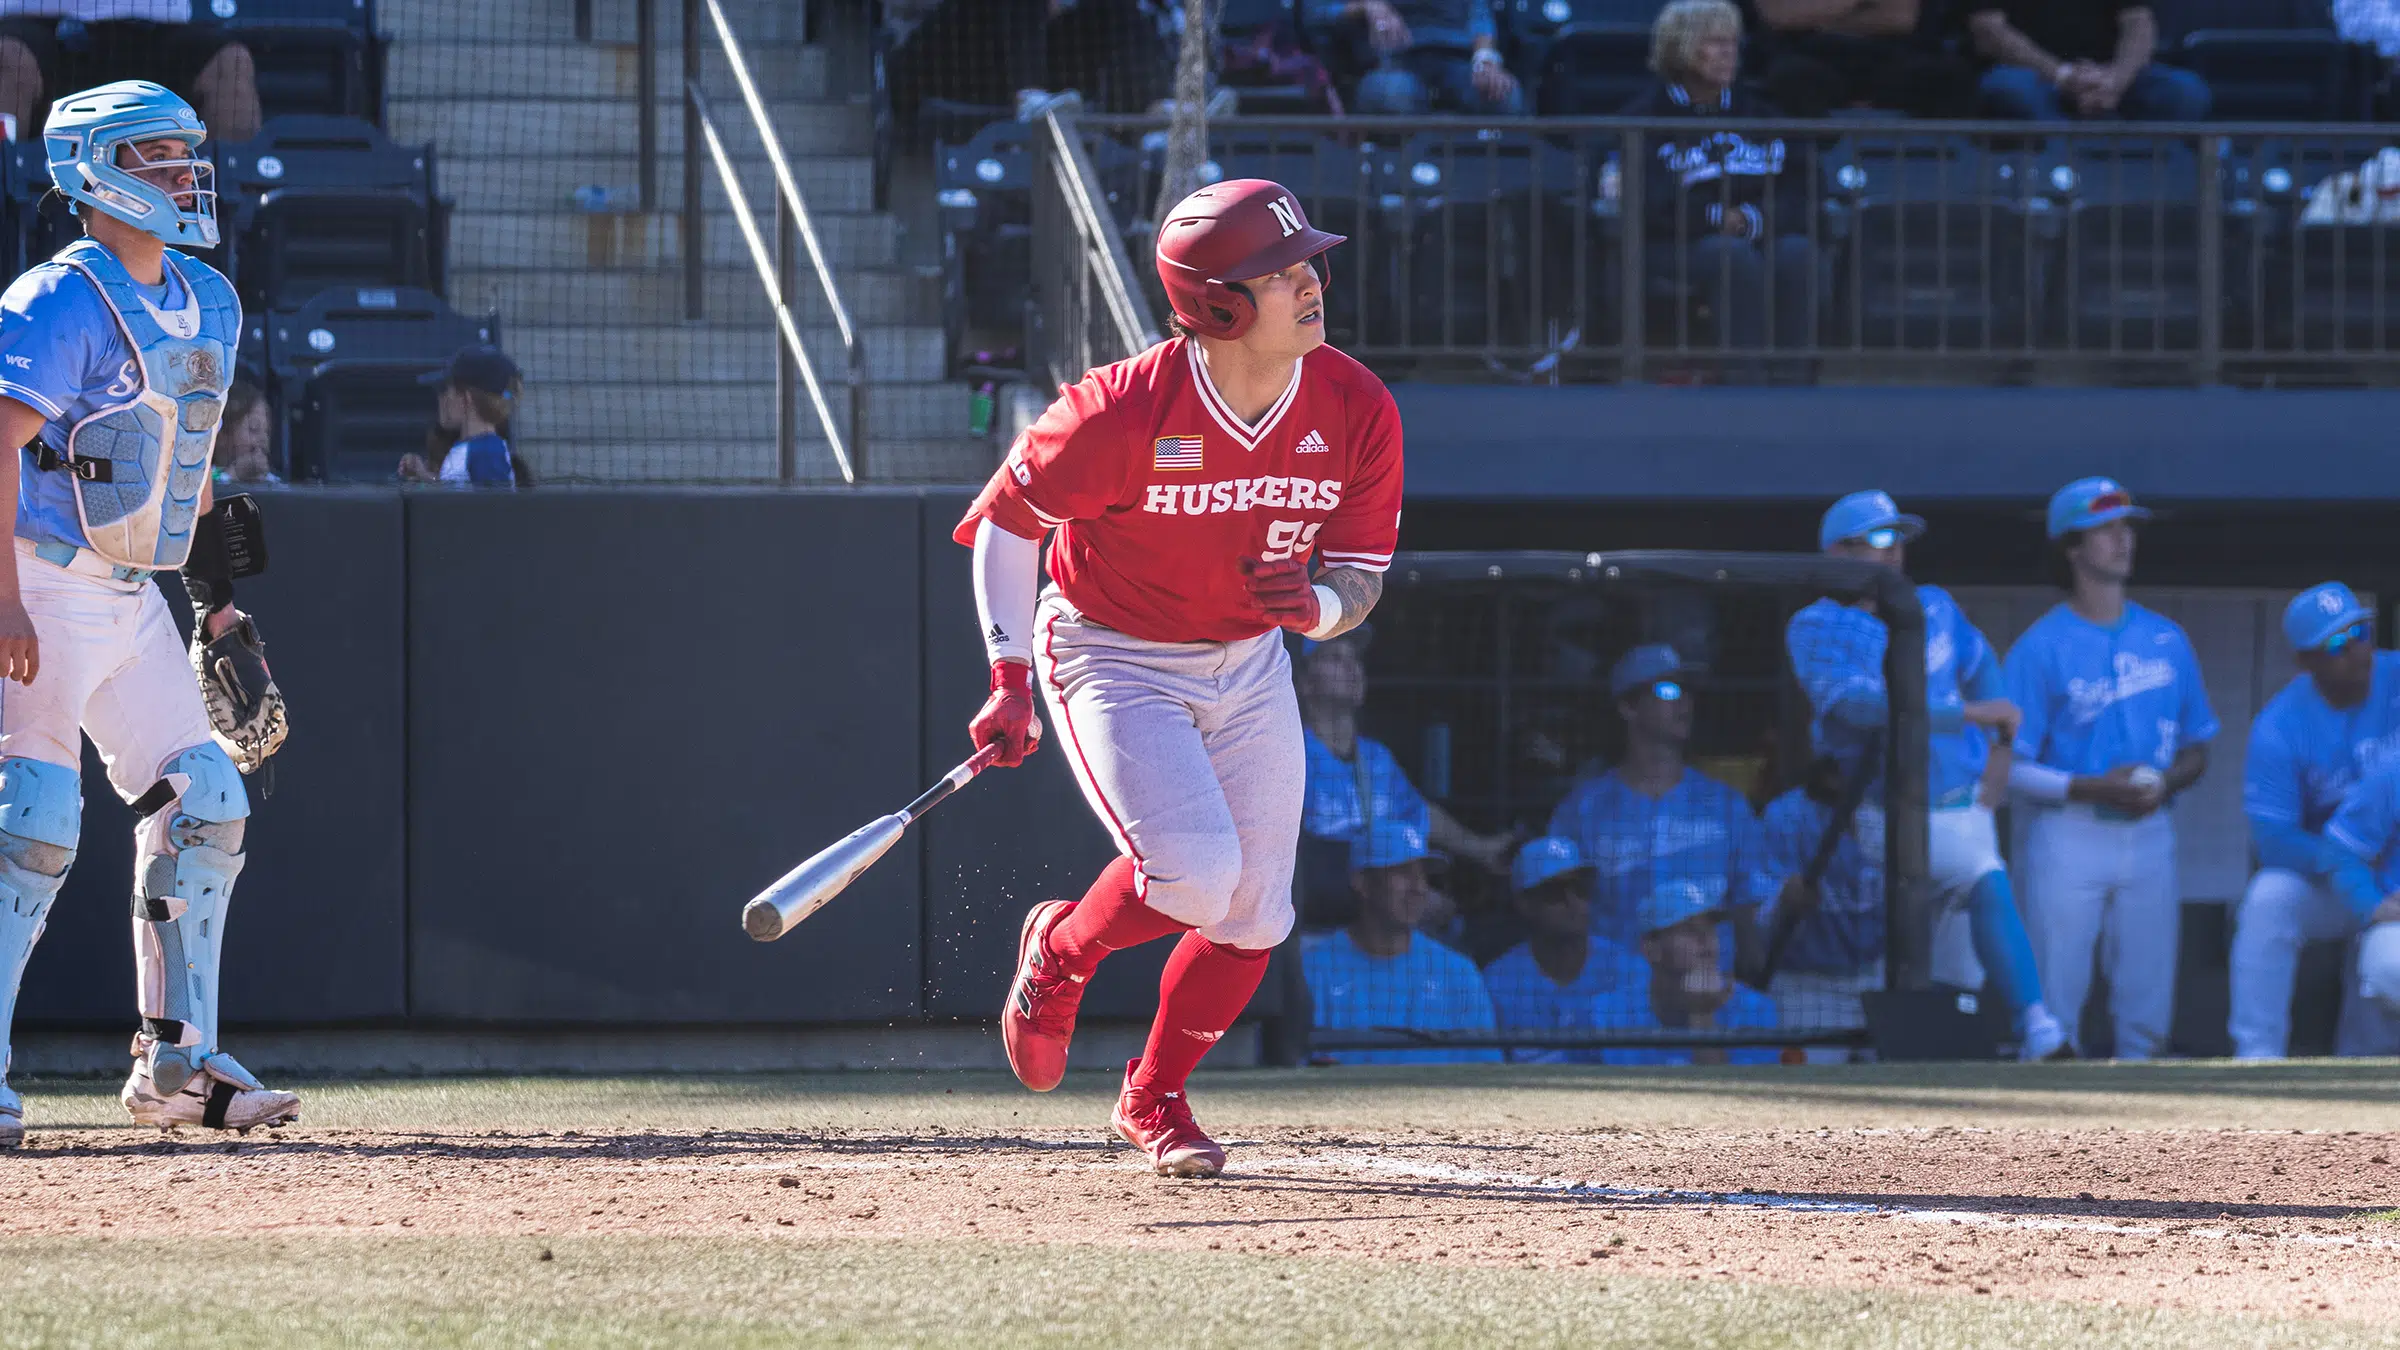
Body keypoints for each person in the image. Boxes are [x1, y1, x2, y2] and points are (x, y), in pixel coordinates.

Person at [958, 178, 1402, 1178]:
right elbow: (1007, 526)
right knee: (1197, 876)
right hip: (1113, 652)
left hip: (1248, 659)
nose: (1311, 283)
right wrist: (1010, 673)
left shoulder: (1356, 404)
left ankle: (1153, 1097)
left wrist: (1317, 611)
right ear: (1218, 305)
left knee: (1256, 914)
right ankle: (1062, 952)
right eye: (1280, 272)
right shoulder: (1116, 412)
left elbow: (1362, 578)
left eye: (1307, 263)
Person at [0, 81, 298, 1148]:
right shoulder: (56, 298)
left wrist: (218, 612)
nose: (184, 173)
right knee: (28, 823)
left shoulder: (208, 299)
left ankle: (177, 1064)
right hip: (38, 577)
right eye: (158, 156)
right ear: (95, 173)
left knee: (209, 800)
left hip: (129, 596)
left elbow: (189, 470)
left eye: (185, 154)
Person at [1788, 489, 2069, 1061]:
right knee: (1981, 880)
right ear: (1837, 552)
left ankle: (1969, 1050)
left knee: (1959, 956)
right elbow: (1859, 709)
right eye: (1878, 541)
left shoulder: (1933, 604)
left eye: (1899, 542)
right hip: (1882, 810)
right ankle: (2037, 1025)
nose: (1893, 555)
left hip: (1963, 800)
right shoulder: (1815, 625)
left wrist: (2001, 752)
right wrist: (1968, 716)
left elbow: (1981, 665)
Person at [2005, 478, 2215, 1061]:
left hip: (2150, 830)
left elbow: (2200, 749)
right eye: (2106, 528)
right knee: (2055, 1006)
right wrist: (2096, 786)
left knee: (2147, 1015)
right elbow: (2008, 769)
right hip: (2070, 832)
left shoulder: (2167, 639)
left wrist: (2163, 783)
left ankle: (2142, 1143)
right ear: (2071, 547)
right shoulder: (2040, 646)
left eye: (2127, 527)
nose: (2123, 539)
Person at [2229, 583, 2400, 1058]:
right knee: (2268, 900)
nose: (2358, 651)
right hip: (2326, 872)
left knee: (2379, 999)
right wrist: (2359, 874)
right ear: (2305, 661)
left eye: (2362, 633)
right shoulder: (2280, 726)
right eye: (2337, 644)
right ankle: (2255, 1059)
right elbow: (2275, 840)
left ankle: (2361, 1078)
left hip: (2390, 868)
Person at [1622, 0, 1814, 357]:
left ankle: (1794, 381)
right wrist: (1715, 218)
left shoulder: (1764, 115)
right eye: (1713, 43)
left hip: (1756, 232)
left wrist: (1752, 219)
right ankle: (1745, 380)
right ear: (1679, 49)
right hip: (1675, 243)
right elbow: (1649, 199)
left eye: (1732, 43)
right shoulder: (1645, 118)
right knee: (1730, 254)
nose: (1728, 53)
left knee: (1797, 252)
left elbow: (1799, 189)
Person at [1545, 644, 1766, 951]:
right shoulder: (1582, 811)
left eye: (1687, 691)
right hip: (1616, 992)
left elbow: (1753, 915)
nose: (1684, 702)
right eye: (1667, 690)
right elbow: (1560, 917)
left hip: (1704, 989)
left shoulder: (1727, 806)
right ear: (1628, 707)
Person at [1293, 626, 1514, 926]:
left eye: (1354, 658)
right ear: (1305, 683)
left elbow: (1418, 814)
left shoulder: (1376, 757)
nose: (1351, 667)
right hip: (1316, 923)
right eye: (1334, 657)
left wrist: (1481, 849)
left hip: (1382, 911)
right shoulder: (1290, 753)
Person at [1300, 818, 1504, 1065]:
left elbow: (1486, 1073)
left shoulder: (1458, 973)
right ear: (1362, 882)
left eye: (1423, 875)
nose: (1418, 887)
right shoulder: (1316, 969)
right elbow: (1296, 1070)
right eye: (1402, 873)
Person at [1752, 779, 1886, 1061]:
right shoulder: (1785, 814)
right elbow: (1757, 925)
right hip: (1806, 987)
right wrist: (1784, 900)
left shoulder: (1891, 812)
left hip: (1878, 980)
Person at [0, 1, 261, 142]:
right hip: (38, 23)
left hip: (155, 29)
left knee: (229, 63)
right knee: (9, 59)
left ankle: (224, 215)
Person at [1586, 880, 1781, 1066]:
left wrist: (1702, 1014)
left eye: (1710, 928)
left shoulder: (1756, 1011)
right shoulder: (1607, 1015)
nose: (1706, 938)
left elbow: (1729, 1097)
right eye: (1689, 930)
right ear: (1651, 949)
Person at [1481, 835, 1639, 1064]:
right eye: (1555, 892)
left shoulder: (1628, 971)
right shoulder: (1497, 983)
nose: (1573, 902)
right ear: (1525, 903)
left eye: (1580, 888)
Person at [1966, 0, 2210, 120]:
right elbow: (1988, 30)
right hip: (2035, 77)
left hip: (2109, 76)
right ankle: (2061, 171)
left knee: (2185, 90)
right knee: (2008, 88)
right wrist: (2063, 76)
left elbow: (2139, 23)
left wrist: (2116, 80)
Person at [1751, 0, 1977, 119]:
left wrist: (1816, 17)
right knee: (1789, 78)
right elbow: (1779, 15)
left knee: (1950, 76)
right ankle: (1811, 177)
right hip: (1810, 57)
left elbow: (1899, 18)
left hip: (1888, 60)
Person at [1316, 0, 1523, 115]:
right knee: (1395, 93)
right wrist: (1367, 6)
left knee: (1505, 94)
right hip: (1392, 60)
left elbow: (1480, 16)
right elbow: (1322, 14)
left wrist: (1485, 60)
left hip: (1457, 60)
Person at [398, 345, 520, 487]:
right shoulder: (472, 446)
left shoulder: (486, 453)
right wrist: (424, 475)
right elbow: (456, 490)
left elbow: (492, 506)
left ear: (466, 398)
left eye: (445, 390)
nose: (440, 398)